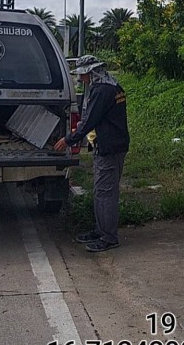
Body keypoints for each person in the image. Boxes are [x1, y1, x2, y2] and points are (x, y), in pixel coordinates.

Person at [54, 55, 129, 252]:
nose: (81, 79)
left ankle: (108, 237)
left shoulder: (101, 91)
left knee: (105, 194)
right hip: (112, 145)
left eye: (83, 75)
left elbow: (89, 121)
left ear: (90, 73)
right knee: (102, 191)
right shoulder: (113, 86)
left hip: (109, 148)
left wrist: (68, 139)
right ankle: (101, 229)